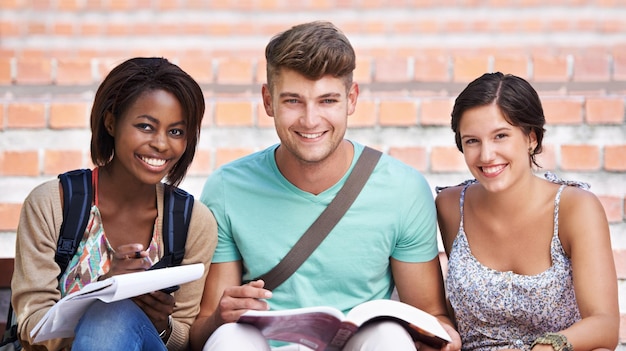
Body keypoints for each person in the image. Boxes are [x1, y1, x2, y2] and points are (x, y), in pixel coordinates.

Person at [189, 21, 461, 351]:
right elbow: (203, 330)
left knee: (390, 337)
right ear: (268, 101)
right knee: (229, 339)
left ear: (352, 99)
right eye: (293, 101)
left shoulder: (403, 189)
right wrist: (221, 316)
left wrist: (441, 338)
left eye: (327, 101)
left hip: (361, 344)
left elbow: (430, 314)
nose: (310, 120)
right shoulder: (228, 187)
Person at [11, 57, 218, 351]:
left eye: (176, 132)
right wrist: (102, 292)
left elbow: (183, 338)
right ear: (111, 122)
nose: (161, 144)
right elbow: (33, 327)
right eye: (146, 126)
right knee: (110, 313)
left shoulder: (193, 221)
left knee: (115, 316)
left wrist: (161, 324)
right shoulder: (52, 205)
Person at [435, 72, 619, 350]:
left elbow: (604, 324)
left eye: (500, 136)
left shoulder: (575, 208)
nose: (486, 155)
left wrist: (547, 346)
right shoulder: (450, 207)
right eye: (472, 141)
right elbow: (441, 311)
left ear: (531, 138)